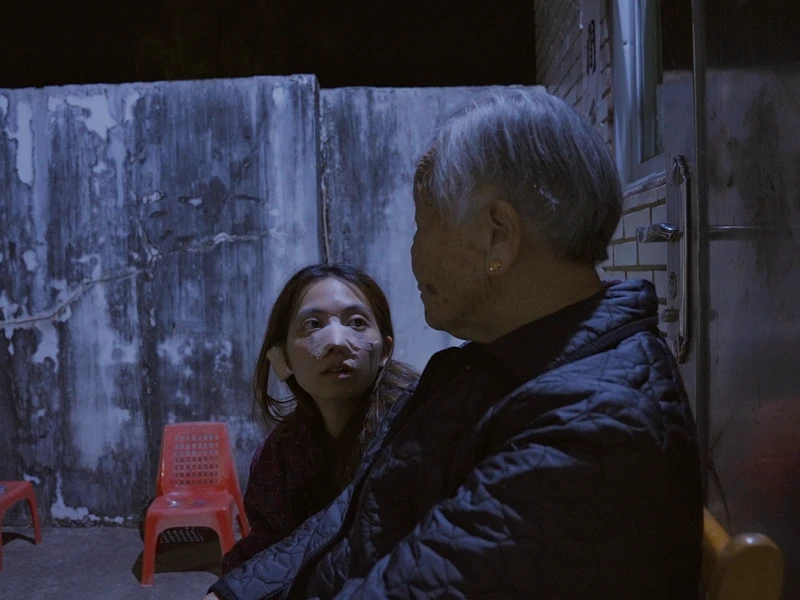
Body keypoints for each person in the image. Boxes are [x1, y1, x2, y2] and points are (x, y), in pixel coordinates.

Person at [207, 90, 703, 599]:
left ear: (498, 238)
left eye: (424, 226)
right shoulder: (505, 368)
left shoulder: (594, 424)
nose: (414, 255)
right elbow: (355, 513)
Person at [221, 264, 419, 573]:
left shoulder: (420, 426)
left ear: (384, 351)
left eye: (357, 322)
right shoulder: (279, 459)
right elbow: (268, 549)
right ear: (282, 359)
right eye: (312, 325)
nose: (337, 342)